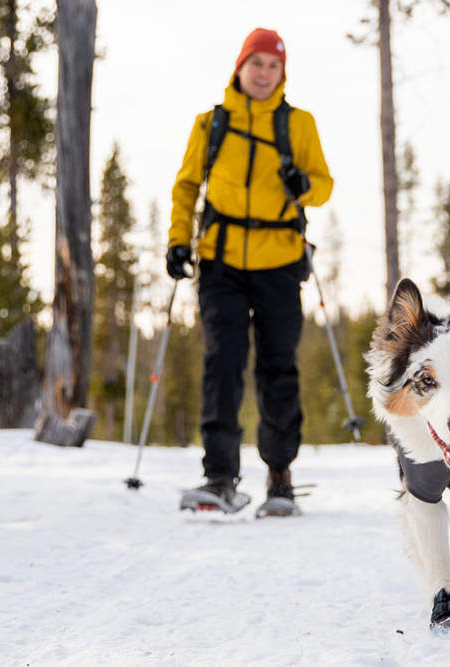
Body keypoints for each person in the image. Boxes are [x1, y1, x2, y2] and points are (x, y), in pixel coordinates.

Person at [166, 28, 333, 517]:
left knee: (278, 367)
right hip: (220, 262)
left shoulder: (298, 124)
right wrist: (179, 241)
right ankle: (219, 477)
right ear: (239, 68)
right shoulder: (210, 124)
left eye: (272, 65)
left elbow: (322, 186)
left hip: (280, 260)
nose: (263, 73)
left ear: (283, 73)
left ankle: (279, 477)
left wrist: (303, 186)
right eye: (255, 63)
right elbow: (186, 186)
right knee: (223, 361)